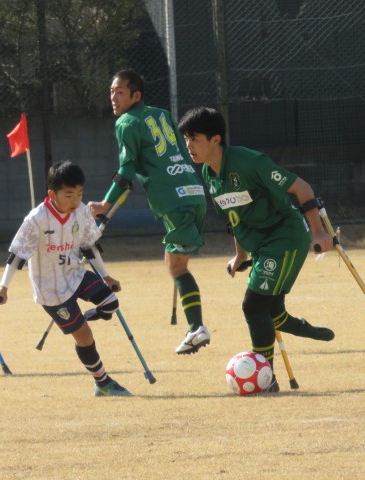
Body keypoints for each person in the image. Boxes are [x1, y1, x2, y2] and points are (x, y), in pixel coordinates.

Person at [177, 106, 335, 392]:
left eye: (195, 138)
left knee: (253, 305)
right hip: (260, 246)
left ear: (216, 139)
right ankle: (305, 330)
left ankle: (265, 379)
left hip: (284, 237)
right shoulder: (209, 174)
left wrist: (318, 232)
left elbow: (302, 188)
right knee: (271, 311)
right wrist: (240, 255)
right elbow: (234, 218)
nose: (189, 146)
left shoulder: (249, 162)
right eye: (186, 139)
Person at [87, 69, 210, 355]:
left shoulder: (126, 123)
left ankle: (197, 328)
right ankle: (195, 328)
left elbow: (126, 169)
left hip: (172, 199)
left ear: (136, 95)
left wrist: (105, 204)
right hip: (194, 192)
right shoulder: (164, 114)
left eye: (120, 92)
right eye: (111, 92)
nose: (114, 98)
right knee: (175, 263)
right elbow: (181, 151)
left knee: (177, 267)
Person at [0, 160, 131, 397]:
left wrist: (106, 276)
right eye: (68, 195)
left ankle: (86, 315)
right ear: (52, 194)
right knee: (84, 336)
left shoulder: (82, 212)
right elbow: (17, 255)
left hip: (75, 275)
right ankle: (102, 382)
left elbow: (90, 246)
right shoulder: (36, 219)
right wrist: (3, 287)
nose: (75, 201)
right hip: (51, 290)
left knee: (110, 303)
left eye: (79, 194)